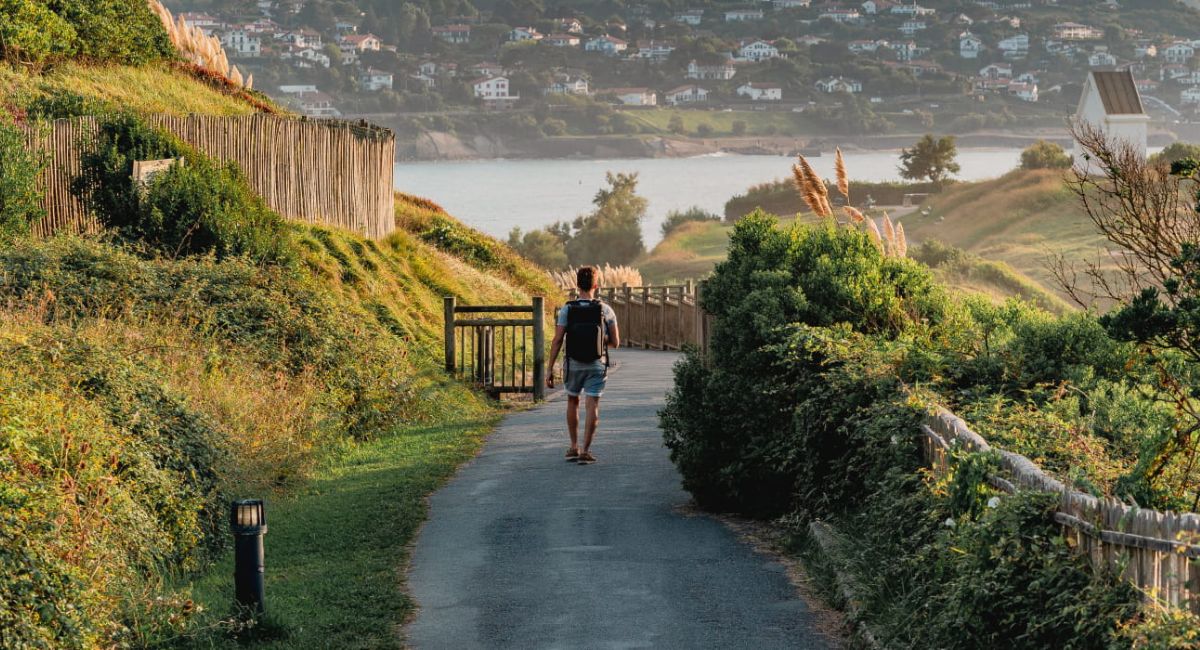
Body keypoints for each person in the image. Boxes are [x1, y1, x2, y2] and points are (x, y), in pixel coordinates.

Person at [546, 266, 620, 465]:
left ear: (577, 285)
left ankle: (573, 446)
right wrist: (599, 341)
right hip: (597, 364)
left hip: (573, 363)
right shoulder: (605, 309)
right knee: (592, 404)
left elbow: (558, 339)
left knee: (572, 401)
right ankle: (586, 451)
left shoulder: (567, 309)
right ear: (596, 285)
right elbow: (616, 342)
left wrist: (550, 368)